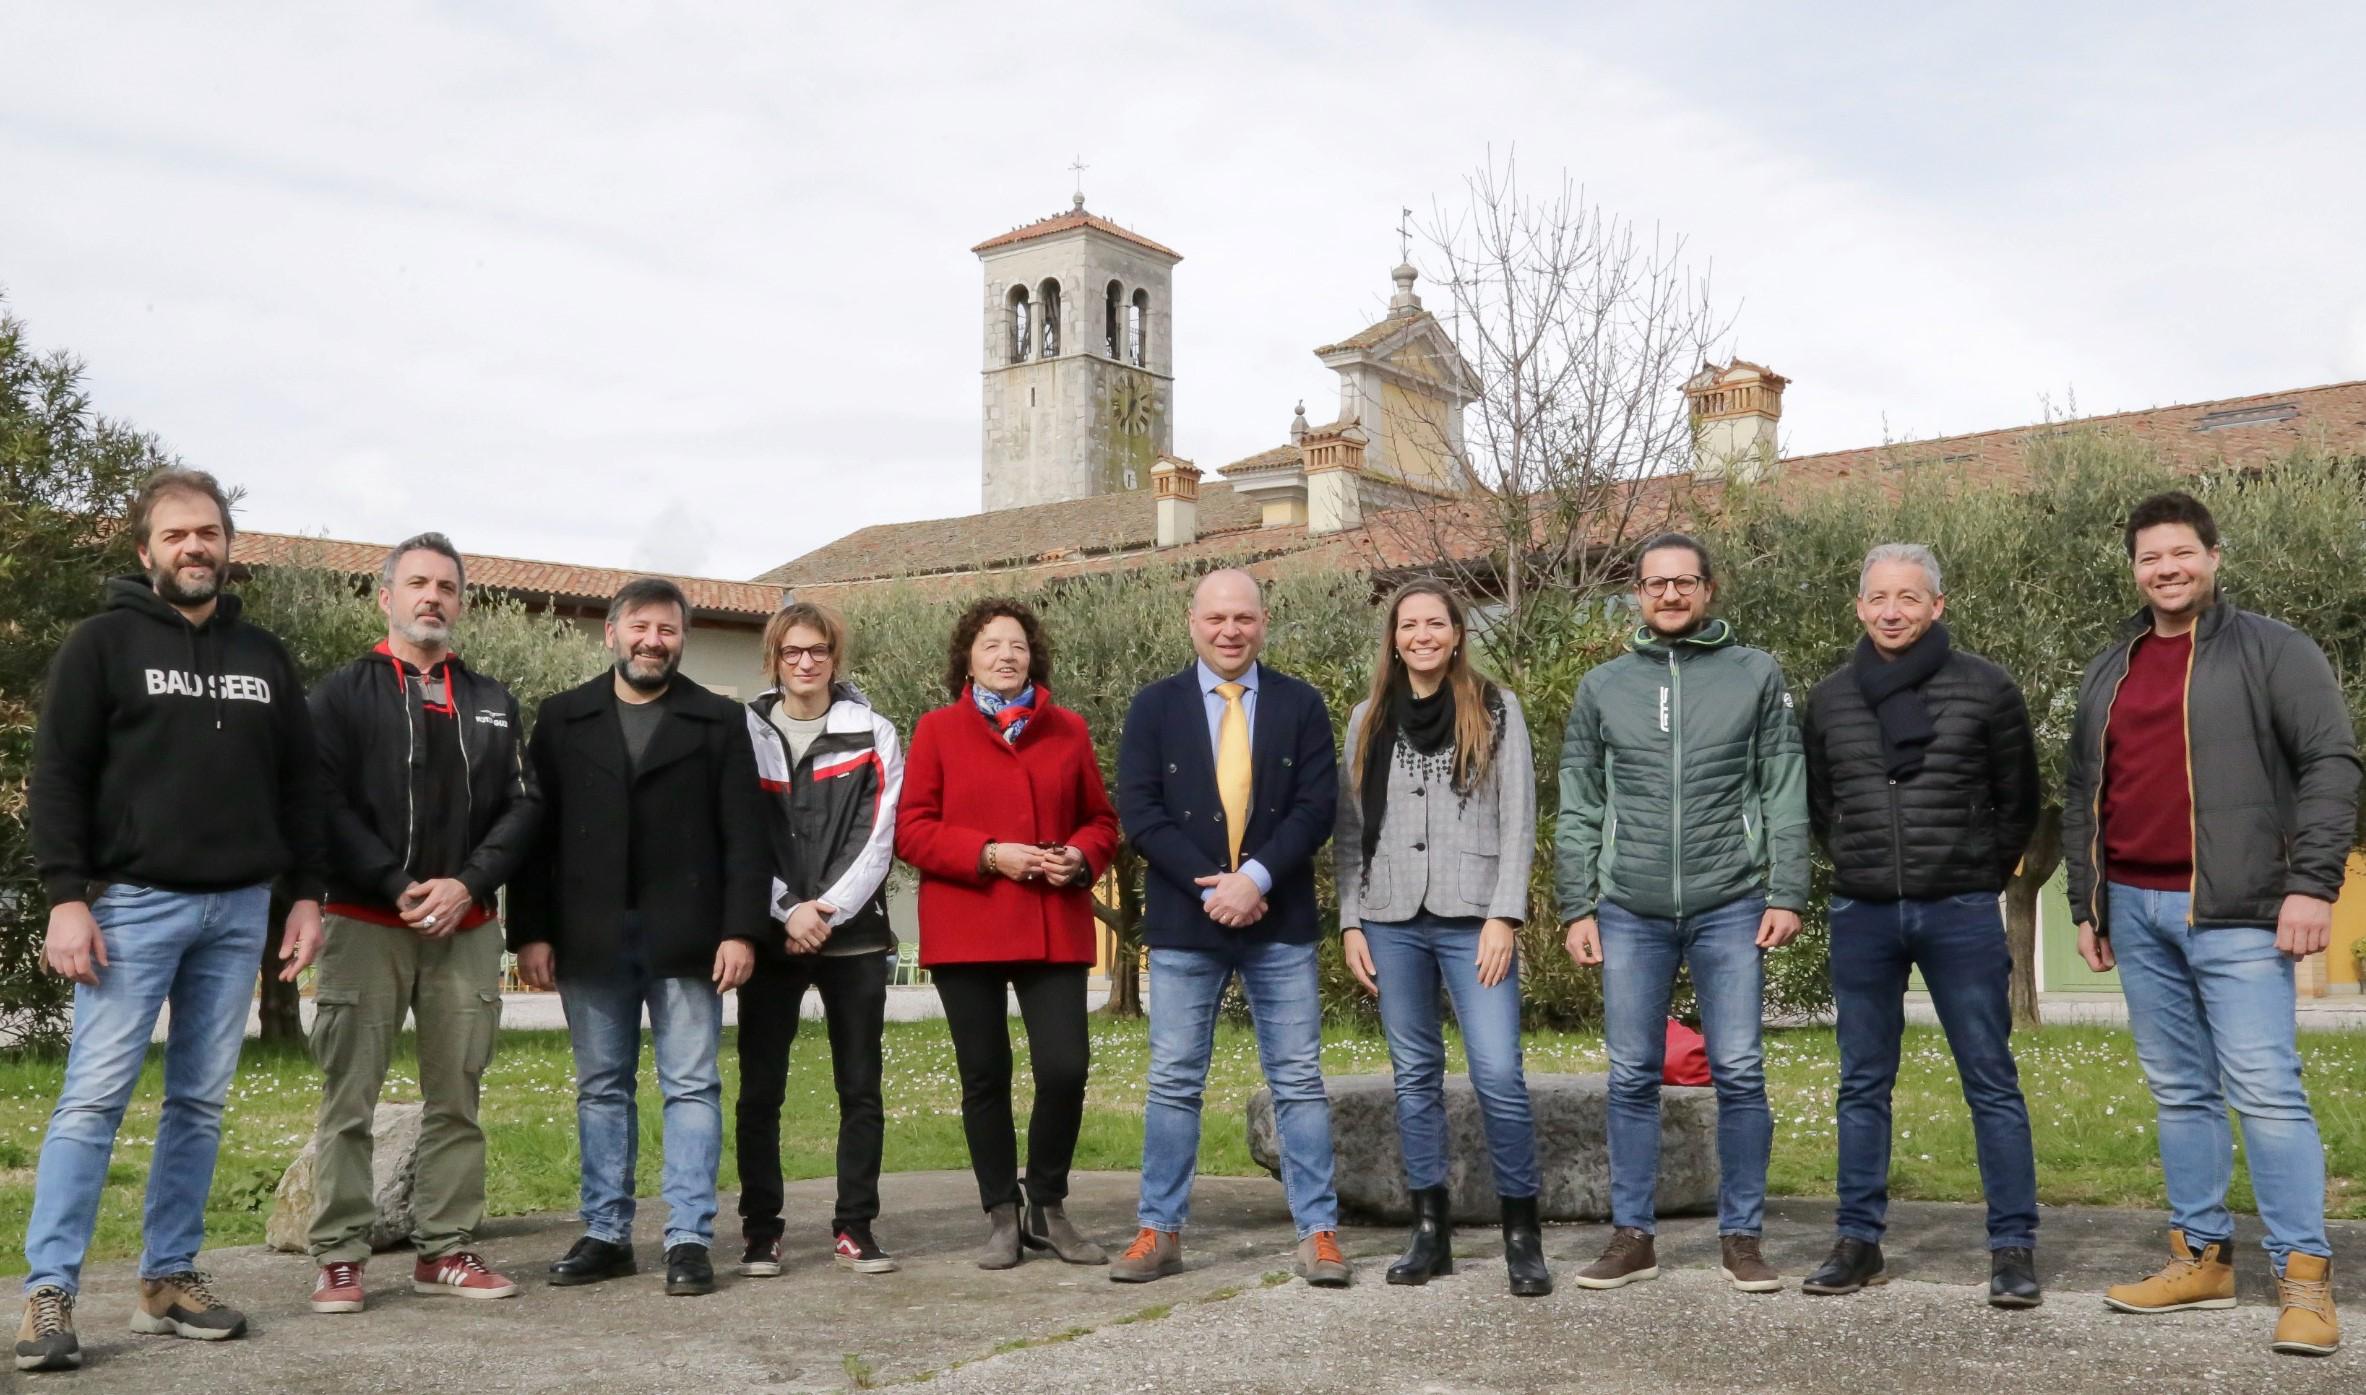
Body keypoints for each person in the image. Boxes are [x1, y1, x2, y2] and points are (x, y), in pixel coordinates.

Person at [18, 469, 325, 1374]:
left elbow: (302, 784)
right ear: (145, 548)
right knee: (92, 1100)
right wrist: (67, 895)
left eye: (211, 533)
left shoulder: (264, 655)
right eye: (179, 534)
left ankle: (169, 1277)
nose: (197, 547)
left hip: (236, 911)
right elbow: (60, 775)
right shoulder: (100, 645)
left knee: (198, 1101)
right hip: (130, 907)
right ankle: (50, 1292)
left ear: (229, 547)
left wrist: (304, 892)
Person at [2064, 491, 2360, 1357]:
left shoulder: (2273, 649)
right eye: (2151, 556)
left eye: (2182, 552)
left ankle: (2304, 1279)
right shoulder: (2108, 666)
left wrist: (2312, 883)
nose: (2167, 568)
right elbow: (2086, 787)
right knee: (2179, 1090)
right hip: (2137, 911)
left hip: (2238, 914)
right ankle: (2200, 1257)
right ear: (2135, 567)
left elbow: (2331, 762)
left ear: (2214, 556)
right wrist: (2089, 900)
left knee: (2267, 1091)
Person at [1556, 531, 1809, 1293]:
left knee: (1738, 1068)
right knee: (1631, 1073)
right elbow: (1578, 803)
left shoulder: (1755, 673)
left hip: (1730, 900)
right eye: (1656, 583)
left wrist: (1788, 888)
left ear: (1708, 589)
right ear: (1636, 592)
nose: (1670, 595)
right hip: (1628, 906)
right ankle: (1633, 1235)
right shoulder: (1602, 686)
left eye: (1684, 582)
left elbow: (1783, 783)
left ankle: (1743, 1236)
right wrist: (1577, 904)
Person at [302, 533, 543, 1314]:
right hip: (365, 919)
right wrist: (398, 883)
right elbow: (323, 803)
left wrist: (465, 884)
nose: (431, 596)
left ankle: (446, 1247)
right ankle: (340, 1254)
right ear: (386, 597)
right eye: (417, 583)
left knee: (458, 1095)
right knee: (349, 1099)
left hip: (466, 926)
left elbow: (523, 807)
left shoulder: (493, 699)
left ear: (462, 602)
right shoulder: (341, 694)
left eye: (445, 585)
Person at [1797, 543, 2042, 1306]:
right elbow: (1818, 802)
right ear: (1860, 607)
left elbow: (2019, 799)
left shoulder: (1987, 688)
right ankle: (1857, 1241)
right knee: (1862, 1081)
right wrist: (1860, 862)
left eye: (1910, 596)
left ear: (1938, 605)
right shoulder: (1831, 697)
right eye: (1879, 597)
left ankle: (2013, 1247)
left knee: (1990, 1079)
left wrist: (1977, 868)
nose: (1894, 610)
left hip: (1960, 910)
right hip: (1863, 911)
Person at [508, 577, 768, 1299]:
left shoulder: (719, 719)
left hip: (688, 937)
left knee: (691, 1085)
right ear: (612, 633)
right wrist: (528, 932)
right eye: (642, 627)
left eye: (669, 630)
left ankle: (687, 1237)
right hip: (588, 936)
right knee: (600, 1089)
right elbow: (535, 838)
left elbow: (746, 837)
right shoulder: (562, 718)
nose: (654, 641)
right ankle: (606, 1233)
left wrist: (742, 928)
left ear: (681, 639)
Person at [1112, 569, 1349, 1288]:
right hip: (1188, 921)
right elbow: (1140, 809)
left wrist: (1257, 880)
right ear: (1193, 621)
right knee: (1175, 1079)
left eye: (1242, 617)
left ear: (1264, 621)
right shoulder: (1154, 706)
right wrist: (1213, 884)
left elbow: (1316, 807)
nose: (1229, 630)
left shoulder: (1301, 704)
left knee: (1299, 1080)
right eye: (1216, 617)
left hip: (1281, 919)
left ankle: (1319, 1232)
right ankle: (1160, 1229)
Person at [1336, 580, 1548, 1297]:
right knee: (1414, 1075)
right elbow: (1348, 832)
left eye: (1435, 623)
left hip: (1473, 918)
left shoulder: (1495, 707)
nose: (1421, 635)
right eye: (1408, 624)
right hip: (1391, 917)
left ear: (1457, 633)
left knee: (1497, 1071)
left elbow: (1519, 815)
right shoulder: (1367, 717)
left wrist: (1505, 914)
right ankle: (1431, 1229)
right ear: (1393, 638)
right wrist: (1350, 921)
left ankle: (1523, 1233)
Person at [894, 597, 1120, 1269]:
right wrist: (992, 853)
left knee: (1065, 1067)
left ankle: (1046, 1205)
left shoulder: (1069, 730)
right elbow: (913, 829)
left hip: (1053, 923)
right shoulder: (936, 729)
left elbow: (1102, 821)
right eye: (991, 643)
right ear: (969, 656)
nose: (1005, 655)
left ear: (1033, 655)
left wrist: (1081, 855)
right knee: (984, 1073)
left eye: (1016, 644)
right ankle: (1000, 1213)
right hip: (969, 923)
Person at [736, 602, 905, 1278]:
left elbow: (881, 832)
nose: (805, 662)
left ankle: (855, 1225)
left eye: (818, 650)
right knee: (760, 1090)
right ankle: (760, 1230)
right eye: (792, 651)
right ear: (774, 657)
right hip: (772, 937)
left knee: (860, 1086)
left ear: (836, 656)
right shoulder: (743, 732)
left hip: (853, 936)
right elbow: (738, 832)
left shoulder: (874, 731)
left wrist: (824, 908)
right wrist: (784, 909)